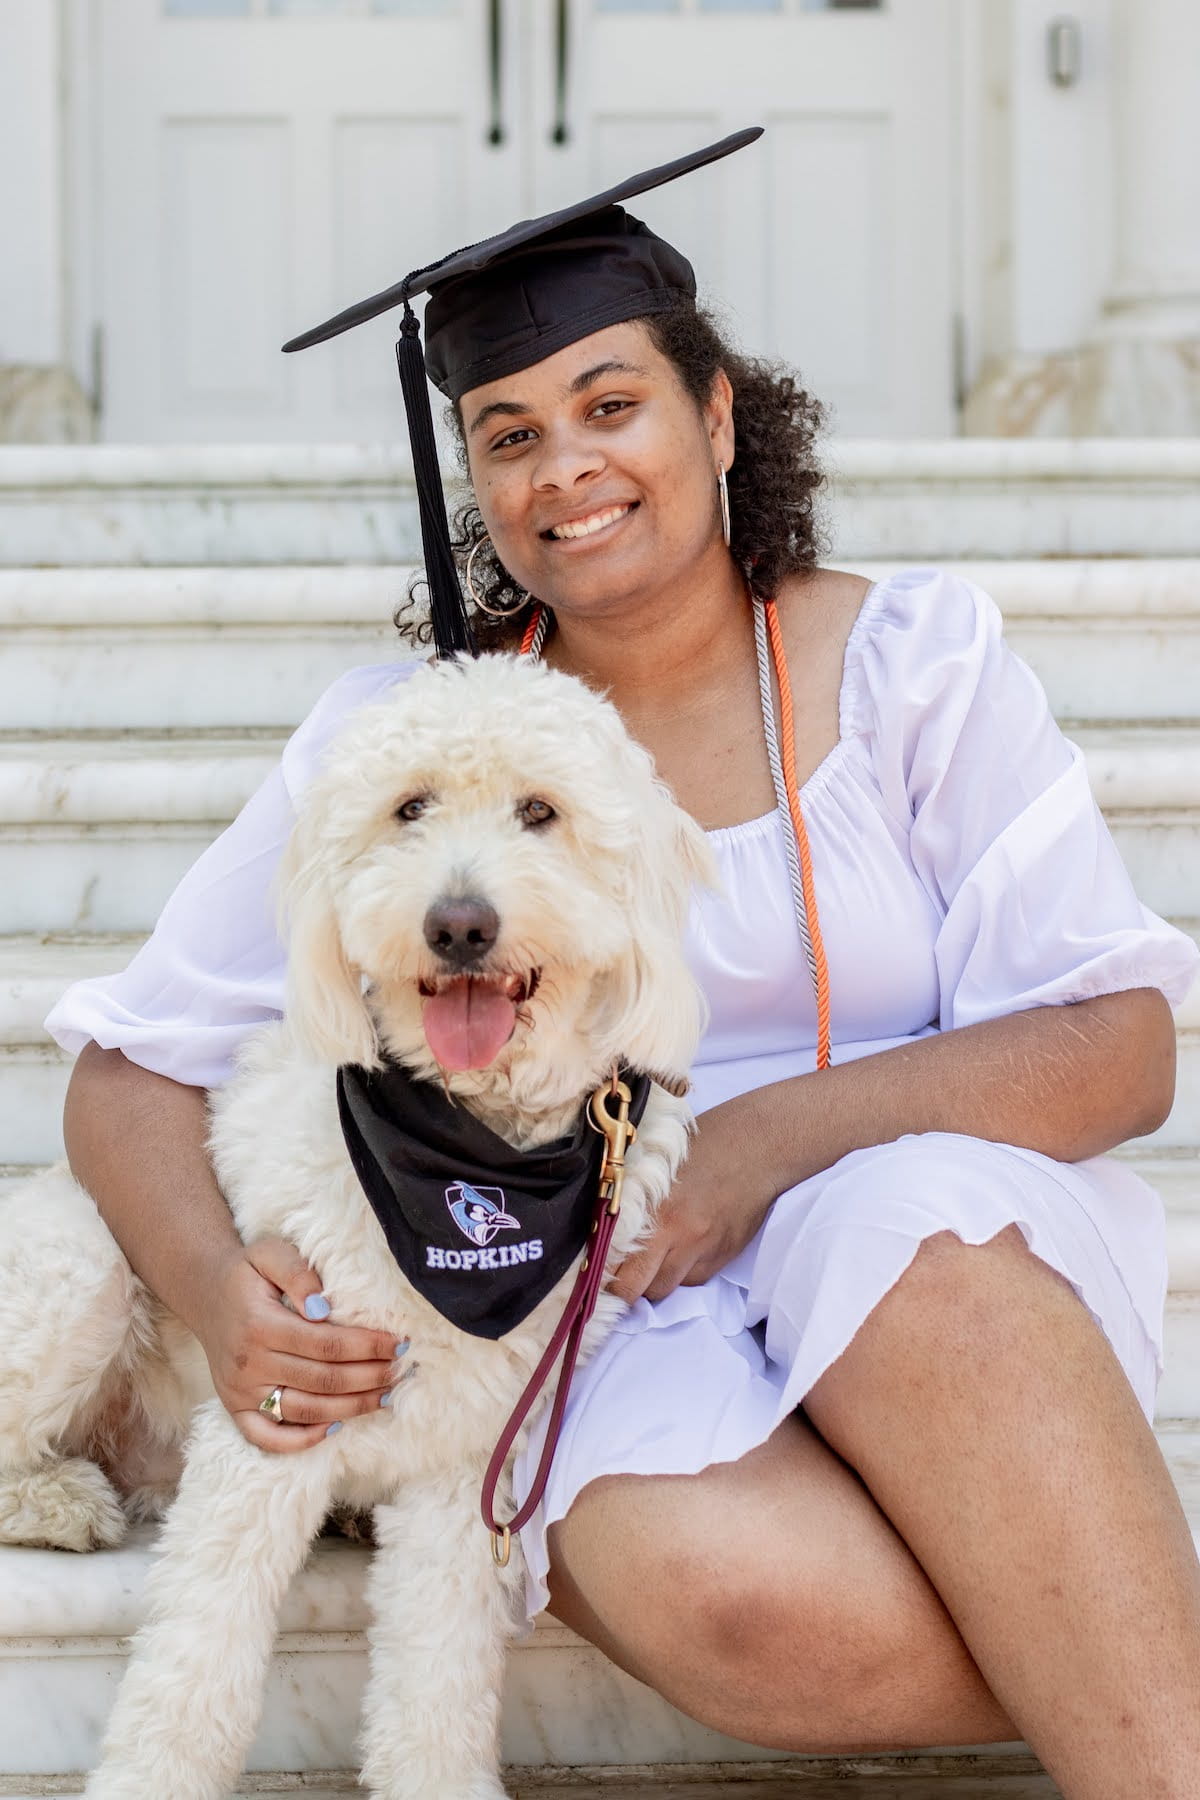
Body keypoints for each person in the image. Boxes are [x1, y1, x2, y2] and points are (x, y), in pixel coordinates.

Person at [47, 132, 1200, 1798]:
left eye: (611, 404)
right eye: (507, 436)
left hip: (917, 1258)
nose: (563, 467)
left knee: (916, 1229)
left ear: (718, 415)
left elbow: (1121, 1046)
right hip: (563, 1300)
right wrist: (226, 1299)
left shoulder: (916, 668)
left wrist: (753, 1149)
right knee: (737, 1607)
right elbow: (129, 1067)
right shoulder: (413, 748)